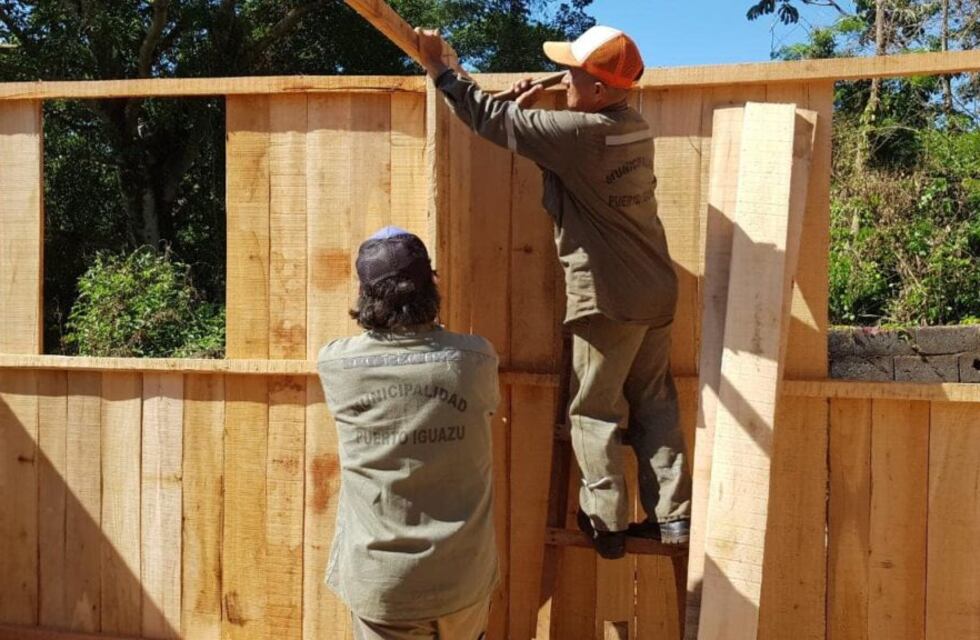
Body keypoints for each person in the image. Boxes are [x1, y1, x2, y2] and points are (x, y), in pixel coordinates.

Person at [415, 25, 691, 559]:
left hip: (609, 297)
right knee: (654, 402)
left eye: (575, 74)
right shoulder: (632, 128)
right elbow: (565, 161)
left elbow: (492, 122)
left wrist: (441, 71)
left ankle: (606, 525)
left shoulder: (581, 134)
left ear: (601, 91)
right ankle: (674, 518)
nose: (564, 78)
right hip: (656, 291)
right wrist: (527, 114)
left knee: (594, 412)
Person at [317, 226, 500, 639]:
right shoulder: (475, 358)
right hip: (463, 577)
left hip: (384, 585)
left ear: (364, 294)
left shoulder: (335, 364)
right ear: (430, 286)